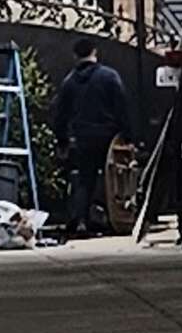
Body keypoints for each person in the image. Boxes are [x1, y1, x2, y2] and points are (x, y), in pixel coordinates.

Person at [47, 48, 138, 234]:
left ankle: (81, 220)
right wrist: (128, 136)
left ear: (75, 56)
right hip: (109, 136)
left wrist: (62, 140)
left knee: (84, 180)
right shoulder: (109, 76)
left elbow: (60, 114)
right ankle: (115, 219)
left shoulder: (69, 82)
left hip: (82, 137)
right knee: (114, 178)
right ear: (95, 52)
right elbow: (122, 107)